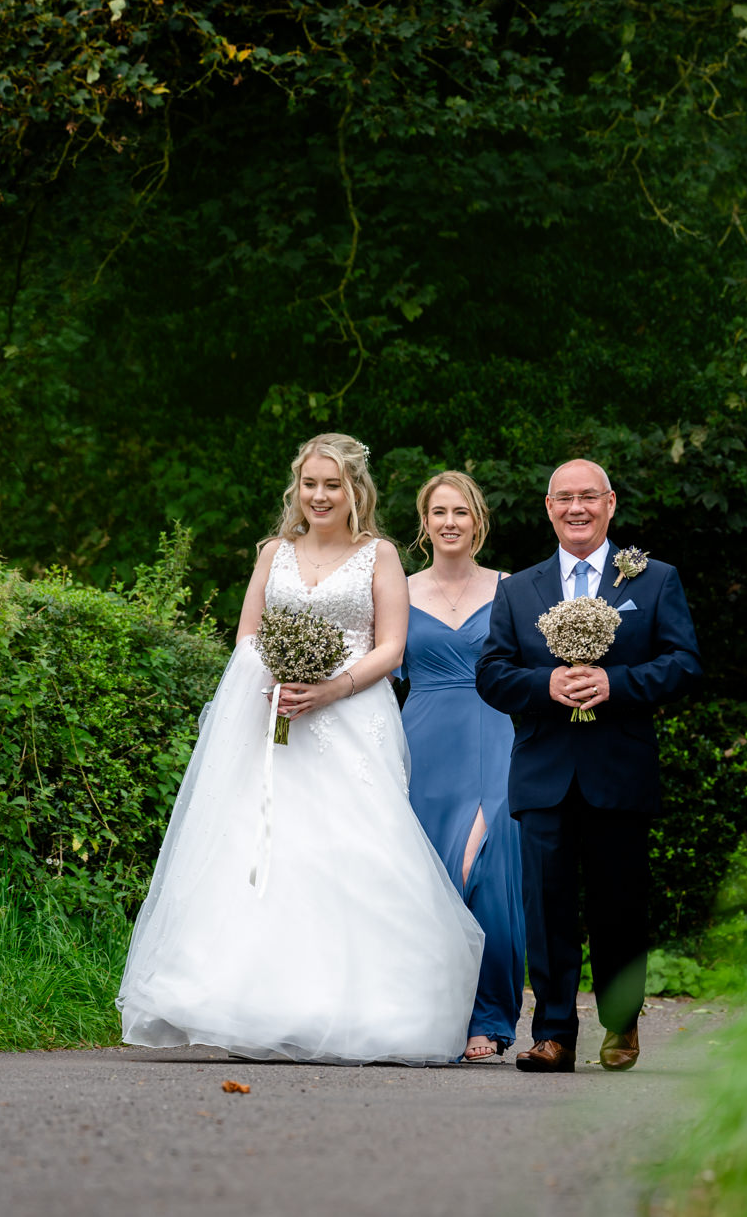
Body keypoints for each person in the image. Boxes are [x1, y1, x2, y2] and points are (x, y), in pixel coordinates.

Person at [115, 433, 483, 1064]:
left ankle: (355, 1010)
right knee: (263, 849)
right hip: (273, 717)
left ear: (354, 491)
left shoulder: (380, 556)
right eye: (310, 483)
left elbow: (391, 648)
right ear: (298, 487)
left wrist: (331, 688)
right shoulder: (273, 553)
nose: (319, 495)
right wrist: (278, 683)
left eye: (332, 485)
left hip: (350, 717)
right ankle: (251, 1006)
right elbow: (248, 638)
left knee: (348, 850)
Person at [476, 459, 702, 1073]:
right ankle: (552, 1033)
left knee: (619, 907)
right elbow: (492, 674)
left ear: (610, 504)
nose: (576, 508)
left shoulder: (654, 580)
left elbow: (684, 663)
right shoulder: (518, 589)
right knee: (547, 909)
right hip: (544, 770)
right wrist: (547, 684)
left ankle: (621, 1025)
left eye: (588, 497)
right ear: (548, 507)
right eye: (564, 498)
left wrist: (616, 682)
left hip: (619, 769)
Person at [399, 472, 524, 1062]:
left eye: (461, 512)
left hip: (498, 733)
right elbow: (373, 669)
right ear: (424, 523)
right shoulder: (395, 589)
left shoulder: (513, 589)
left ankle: (490, 1017)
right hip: (422, 742)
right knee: (431, 879)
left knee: (488, 868)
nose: (450, 522)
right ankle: (434, 1014)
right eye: (438, 512)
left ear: (478, 521)